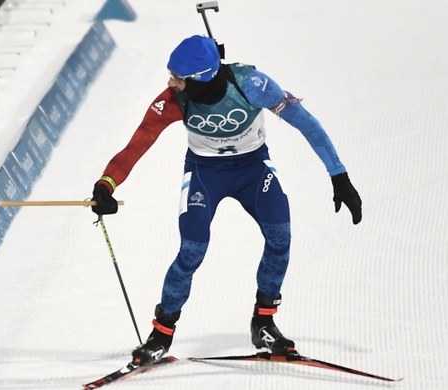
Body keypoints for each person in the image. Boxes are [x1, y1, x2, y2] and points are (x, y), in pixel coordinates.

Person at [89, 35, 362, 366]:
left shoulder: (252, 84)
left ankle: (263, 322)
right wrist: (107, 184)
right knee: (192, 249)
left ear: (201, 79)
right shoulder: (174, 100)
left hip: (252, 169)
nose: (169, 83)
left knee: (280, 236)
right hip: (205, 173)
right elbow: (138, 143)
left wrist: (339, 175)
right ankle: (161, 335)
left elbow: (305, 122)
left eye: (177, 78)